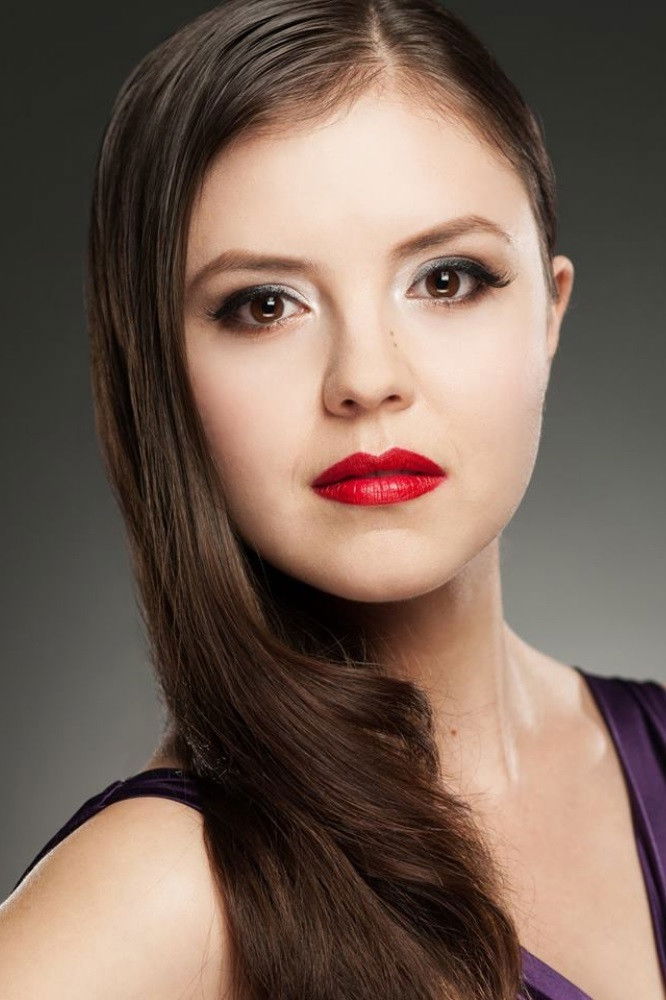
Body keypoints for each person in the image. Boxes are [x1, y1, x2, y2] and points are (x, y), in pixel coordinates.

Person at [1, 1, 664, 998]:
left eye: (447, 279)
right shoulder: (165, 890)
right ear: (160, 369)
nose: (365, 378)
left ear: (550, 312)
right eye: (264, 304)